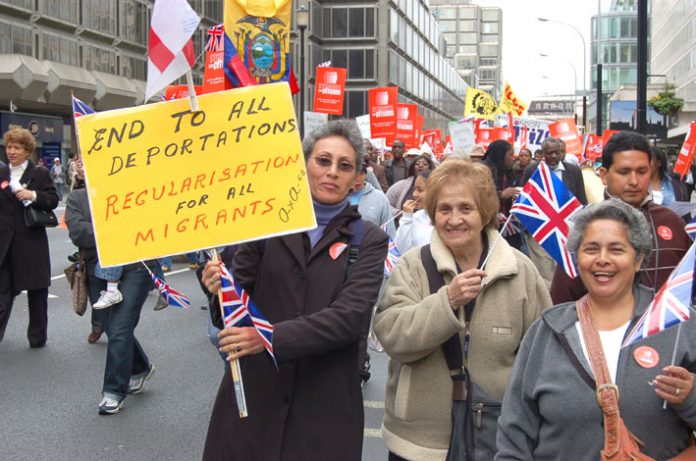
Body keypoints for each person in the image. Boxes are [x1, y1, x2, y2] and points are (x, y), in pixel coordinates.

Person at [200, 119, 388, 460]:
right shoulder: (267, 222)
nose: (332, 172)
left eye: (344, 166)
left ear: (357, 177)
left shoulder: (370, 240)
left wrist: (269, 338)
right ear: (304, 165)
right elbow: (233, 307)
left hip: (323, 411)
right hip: (255, 402)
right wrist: (217, 289)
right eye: (323, 160)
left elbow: (349, 318)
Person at [374, 159, 551, 460]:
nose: (454, 219)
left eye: (466, 208)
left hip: (496, 441)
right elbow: (392, 336)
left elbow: (542, 357)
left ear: (485, 213)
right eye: (444, 209)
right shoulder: (413, 265)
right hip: (418, 444)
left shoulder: (521, 272)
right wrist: (448, 302)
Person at [496, 200, 696, 460]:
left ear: (638, 260)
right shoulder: (546, 332)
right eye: (591, 249)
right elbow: (515, 431)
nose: (602, 260)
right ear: (577, 258)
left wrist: (690, 397)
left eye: (616, 249)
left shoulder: (679, 324)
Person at [550, 131, 692, 304]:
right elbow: (562, 302)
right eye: (624, 172)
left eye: (642, 171)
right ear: (603, 175)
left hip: (667, 329)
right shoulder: (584, 228)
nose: (634, 181)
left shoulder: (673, 223)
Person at [65, 165, 157, 415]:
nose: (86, 166)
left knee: (120, 328)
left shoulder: (131, 189)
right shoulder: (77, 198)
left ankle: (113, 391)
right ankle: (140, 367)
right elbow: (78, 233)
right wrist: (116, 230)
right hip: (96, 268)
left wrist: (118, 230)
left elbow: (148, 222)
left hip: (136, 265)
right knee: (109, 325)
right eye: (82, 162)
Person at [0, 128, 59, 347]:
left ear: (27, 150)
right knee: (3, 290)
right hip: (5, 243)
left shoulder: (39, 173)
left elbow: (52, 199)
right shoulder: (2, 174)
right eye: (9, 147)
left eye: (17, 148)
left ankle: (37, 336)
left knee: (36, 291)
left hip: (30, 241)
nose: (12, 152)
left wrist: (32, 195)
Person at [482, 140, 524, 251]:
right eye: (510, 154)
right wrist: (500, 195)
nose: (514, 158)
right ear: (501, 155)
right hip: (490, 225)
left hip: (509, 224)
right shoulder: (483, 170)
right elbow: (478, 195)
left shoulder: (510, 173)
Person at [523, 137, 587, 204]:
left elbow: (582, 200)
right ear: (543, 153)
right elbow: (524, 197)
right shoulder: (532, 171)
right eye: (550, 153)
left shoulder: (574, 171)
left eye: (557, 153)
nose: (554, 156)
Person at [348, 161, 394, 236]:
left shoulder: (379, 198)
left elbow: (389, 230)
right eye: (353, 173)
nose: (357, 178)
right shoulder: (337, 197)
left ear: (366, 175)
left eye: (361, 173)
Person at [394, 170, 433, 253]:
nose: (414, 194)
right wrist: (407, 218)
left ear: (434, 191)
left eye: (420, 190)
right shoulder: (415, 217)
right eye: (414, 189)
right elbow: (401, 249)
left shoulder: (445, 219)